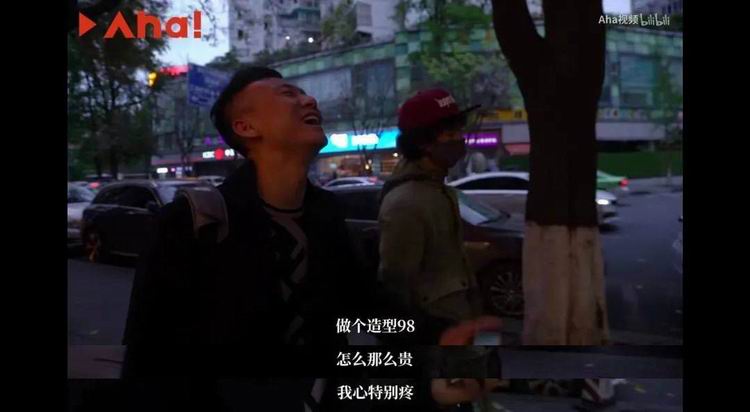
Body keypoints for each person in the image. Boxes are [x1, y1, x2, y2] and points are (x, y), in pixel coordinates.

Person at [120, 67, 495, 411]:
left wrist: (437, 345)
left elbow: (365, 314)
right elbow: (147, 361)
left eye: (303, 93)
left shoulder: (326, 216)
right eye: (288, 94)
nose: (309, 99)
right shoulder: (193, 223)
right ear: (246, 127)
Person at [378, 88, 490, 341]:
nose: (459, 139)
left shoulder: (441, 191)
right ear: (422, 142)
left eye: (459, 131)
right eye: (449, 134)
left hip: (461, 331)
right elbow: (397, 286)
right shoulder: (406, 203)